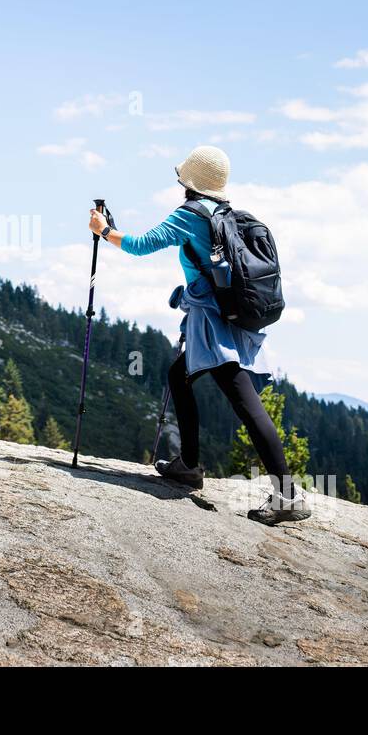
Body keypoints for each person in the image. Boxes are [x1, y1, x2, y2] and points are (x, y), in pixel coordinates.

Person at [86, 145, 310, 525]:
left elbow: (140, 246)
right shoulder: (224, 214)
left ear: (187, 181)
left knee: (244, 400)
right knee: (180, 376)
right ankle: (188, 465)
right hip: (228, 316)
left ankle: (286, 495)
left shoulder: (189, 215)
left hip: (212, 323)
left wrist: (104, 231)